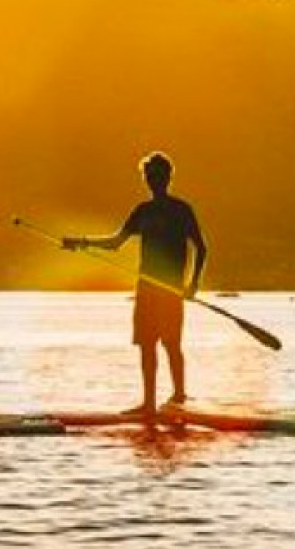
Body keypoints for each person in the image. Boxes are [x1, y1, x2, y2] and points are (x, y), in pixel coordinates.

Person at [63, 152, 209, 416]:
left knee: (171, 344)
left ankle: (178, 397)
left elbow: (201, 247)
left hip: (171, 288)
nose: (153, 181)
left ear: (167, 177)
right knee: (146, 344)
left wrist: (193, 284)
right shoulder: (142, 211)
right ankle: (149, 404)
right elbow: (116, 242)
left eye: (158, 176)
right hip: (146, 288)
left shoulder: (182, 210)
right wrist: (82, 242)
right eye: (149, 176)